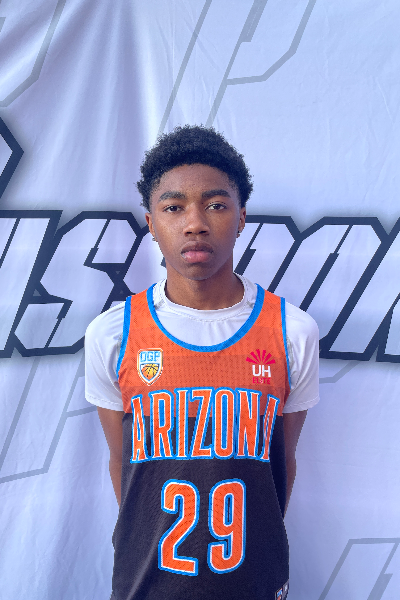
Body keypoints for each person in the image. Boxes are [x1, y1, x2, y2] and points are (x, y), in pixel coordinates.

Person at [85, 125, 319, 600]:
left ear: (241, 217)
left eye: (215, 205)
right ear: (152, 223)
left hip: (251, 580)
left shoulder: (292, 331)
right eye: (174, 208)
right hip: (147, 581)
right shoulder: (113, 333)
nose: (195, 223)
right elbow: (122, 464)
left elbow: (281, 463)